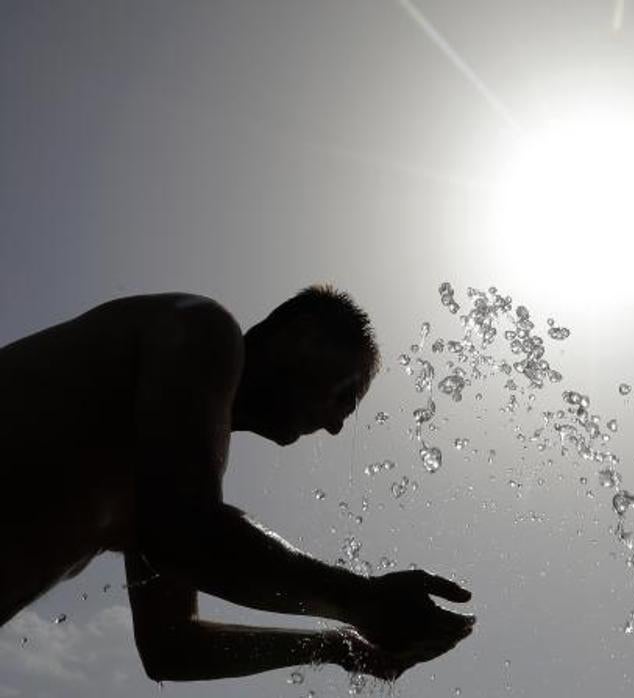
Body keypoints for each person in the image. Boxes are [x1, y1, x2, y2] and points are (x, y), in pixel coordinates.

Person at [0, 286, 474, 681]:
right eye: (345, 395)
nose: (335, 427)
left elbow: (172, 646)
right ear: (304, 336)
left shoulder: (168, 466)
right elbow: (186, 531)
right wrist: (365, 600)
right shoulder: (202, 329)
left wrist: (336, 647)